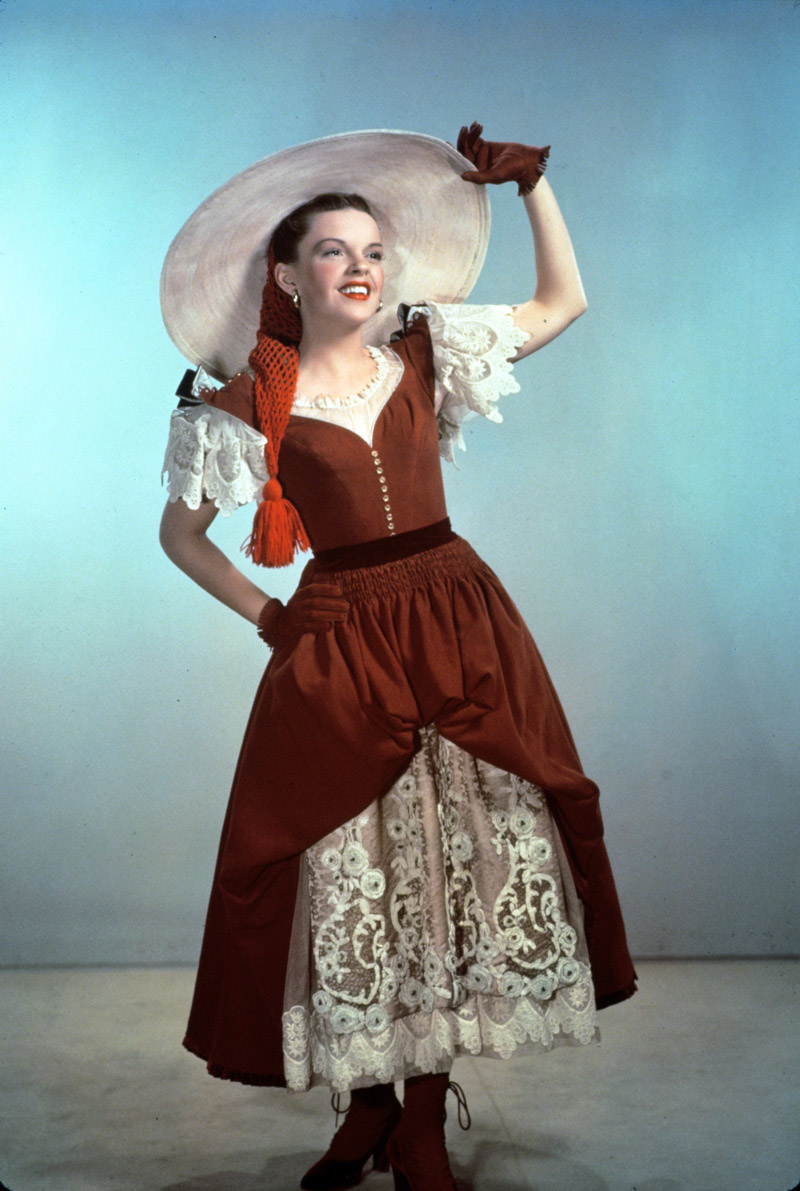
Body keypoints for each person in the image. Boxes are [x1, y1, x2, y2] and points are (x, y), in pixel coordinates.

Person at [159, 124, 636, 1191]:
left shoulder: (424, 353)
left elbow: (561, 305)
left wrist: (536, 192)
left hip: (457, 623)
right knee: (354, 878)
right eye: (333, 250)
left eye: (371, 249)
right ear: (288, 273)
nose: (361, 267)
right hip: (337, 651)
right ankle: (366, 1104)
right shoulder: (246, 402)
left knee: (450, 868)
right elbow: (180, 537)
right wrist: (270, 618)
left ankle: (422, 1116)